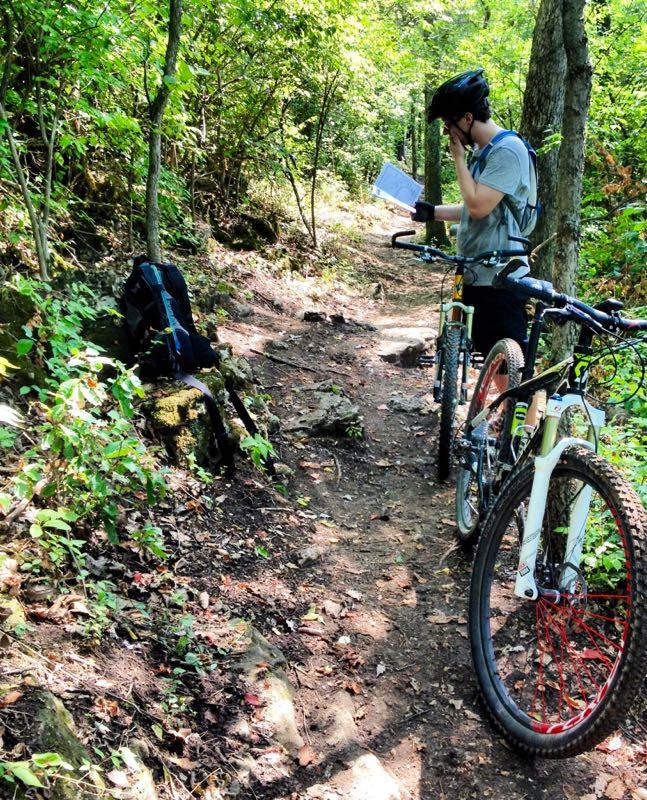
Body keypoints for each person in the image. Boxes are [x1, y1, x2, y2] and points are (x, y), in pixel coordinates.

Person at [412, 68, 531, 357]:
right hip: (478, 270)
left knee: (508, 366)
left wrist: (458, 159)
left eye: (448, 123)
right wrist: (433, 212)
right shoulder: (484, 152)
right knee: (489, 359)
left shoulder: (507, 151)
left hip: (501, 275)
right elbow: (478, 206)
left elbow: (478, 207)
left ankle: (515, 405)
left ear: (467, 118)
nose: (447, 132)